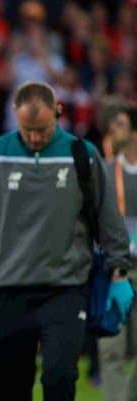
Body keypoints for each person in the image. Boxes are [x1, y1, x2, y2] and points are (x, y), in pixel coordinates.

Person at [0, 81, 133, 401]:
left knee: (60, 376)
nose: (35, 137)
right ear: (14, 116)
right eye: (28, 130)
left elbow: (108, 217)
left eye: (43, 129)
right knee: (11, 388)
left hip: (65, 288)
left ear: (59, 114)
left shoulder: (82, 155)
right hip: (7, 288)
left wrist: (118, 271)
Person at [98, 105, 137, 401]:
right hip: (114, 268)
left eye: (121, 124)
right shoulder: (105, 171)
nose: (115, 131)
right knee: (110, 346)